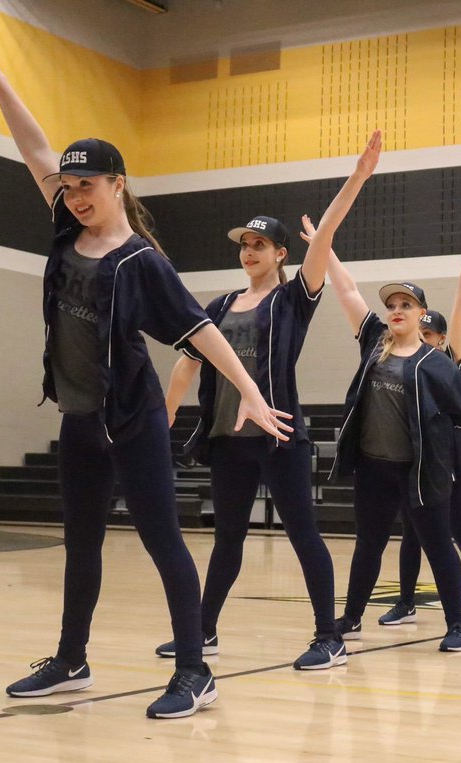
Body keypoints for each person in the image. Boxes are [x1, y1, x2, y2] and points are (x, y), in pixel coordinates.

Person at [0, 27, 292, 718]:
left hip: (132, 422)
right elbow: (33, 148)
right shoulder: (64, 222)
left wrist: (253, 393)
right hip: (80, 417)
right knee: (81, 542)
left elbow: (199, 330)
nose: (76, 195)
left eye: (89, 186)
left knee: (162, 539)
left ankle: (196, 669)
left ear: (118, 185)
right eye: (70, 185)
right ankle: (71, 657)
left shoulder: (141, 260)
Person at [156, 144, 381, 672]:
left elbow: (322, 239)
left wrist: (357, 178)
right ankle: (204, 630)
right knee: (226, 541)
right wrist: (164, 413)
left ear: (281, 253)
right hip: (227, 441)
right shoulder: (217, 307)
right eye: (245, 245)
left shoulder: (292, 300)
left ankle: (330, 636)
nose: (250, 251)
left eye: (261, 245)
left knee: (303, 534)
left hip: (279, 437)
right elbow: (187, 364)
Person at [316, 158, 461, 653]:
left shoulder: (437, 363)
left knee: (437, 545)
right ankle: (351, 616)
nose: (395, 310)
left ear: (420, 313)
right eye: (391, 304)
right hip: (374, 469)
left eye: (405, 305)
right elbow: (345, 290)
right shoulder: (373, 341)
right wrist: (323, 247)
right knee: (368, 544)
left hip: (420, 471)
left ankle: (457, 624)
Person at [378, 244, 461, 632]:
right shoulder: (399, 359)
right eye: (422, 331)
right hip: (415, 463)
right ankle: (406, 602)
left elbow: (459, 317)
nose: (425, 337)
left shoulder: (446, 363)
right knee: (410, 536)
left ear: (442, 339)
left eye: (431, 333)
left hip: (449, 466)